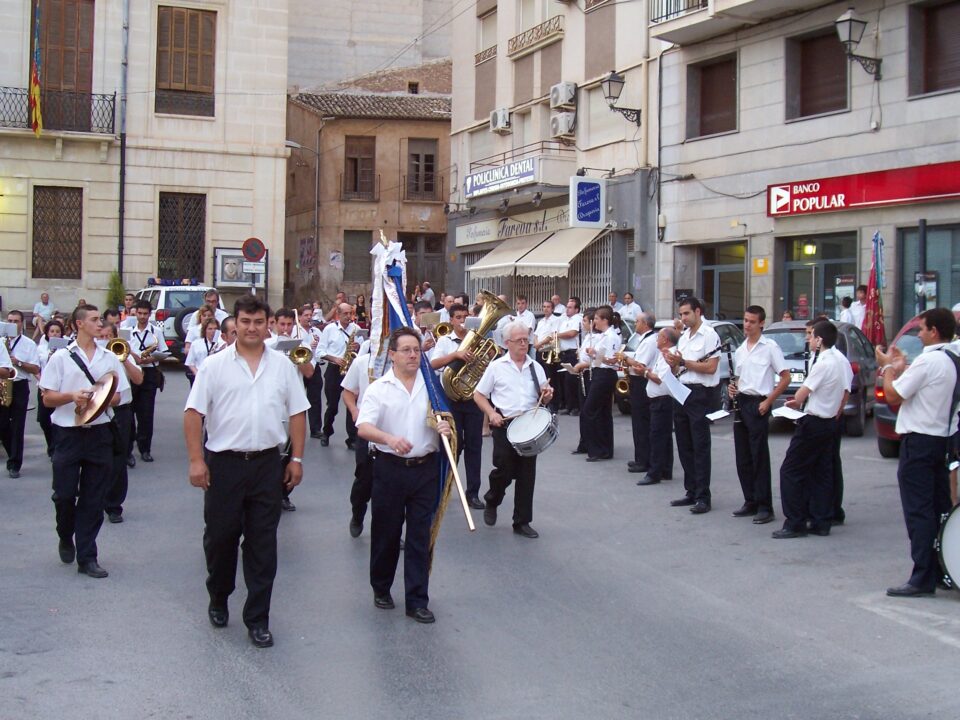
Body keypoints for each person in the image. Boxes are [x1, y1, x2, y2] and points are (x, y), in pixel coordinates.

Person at [184, 295, 309, 648]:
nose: (252, 328)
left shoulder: (283, 366)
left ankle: (257, 618)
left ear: (268, 324)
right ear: (234, 324)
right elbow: (194, 414)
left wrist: (296, 460)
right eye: (245, 322)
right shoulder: (214, 366)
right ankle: (219, 597)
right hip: (223, 465)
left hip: (268, 465)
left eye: (258, 322)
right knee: (221, 539)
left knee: (262, 544)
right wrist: (196, 461)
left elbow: (298, 413)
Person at [356, 327, 452, 624]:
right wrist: (388, 438)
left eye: (417, 350)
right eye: (407, 350)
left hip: (425, 469)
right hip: (389, 469)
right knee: (387, 532)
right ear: (393, 355)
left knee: (420, 536)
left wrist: (446, 427)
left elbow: (446, 418)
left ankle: (417, 599)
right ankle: (381, 587)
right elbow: (363, 427)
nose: (413, 355)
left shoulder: (433, 387)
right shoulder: (379, 388)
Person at [39, 304, 130, 578]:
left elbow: (120, 396)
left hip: (99, 434)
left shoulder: (109, 357)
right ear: (79, 324)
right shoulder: (61, 358)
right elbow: (47, 398)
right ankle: (66, 534)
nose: (99, 323)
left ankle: (87, 556)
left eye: (99, 319)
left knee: (93, 498)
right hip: (68, 434)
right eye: (93, 319)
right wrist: (72, 397)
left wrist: (101, 398)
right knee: (64, 495)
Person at [876, 308, 958, 596]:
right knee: (938, 509)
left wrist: (887, 368)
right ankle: (940, 568)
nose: (919, 333)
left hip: (919, 442)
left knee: (919, 511)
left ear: (934, 331)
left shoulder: (930, 360)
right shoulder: (951, 358)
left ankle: (922, 576)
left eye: (922, 329)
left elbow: (894, 395)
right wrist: (901, 368)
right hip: (940, 439)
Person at [473, 321, 553, 539]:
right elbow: (479, 395)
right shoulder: (496, 367)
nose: (524, 344)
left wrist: (546, 396)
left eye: (526, 339)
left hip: (529, 426)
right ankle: (493, 498)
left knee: (527, 475)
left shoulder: (535, 367)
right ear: (507, 343)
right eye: (519, 340)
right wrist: (491, 414)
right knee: (504, 469)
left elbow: (543, 394)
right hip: (504, 425)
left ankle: (522, 521)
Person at [774, 321, 850, 539]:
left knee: (790, 471)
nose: (809, 339)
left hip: (815, 421)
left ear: (820, 340)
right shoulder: (839, 360)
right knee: (821, 472)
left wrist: (791, 404)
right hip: (829, 422)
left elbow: (800, 396)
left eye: (812, 336)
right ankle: (821, 520)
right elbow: (845, 390)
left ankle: (795, 522)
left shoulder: (824, 363)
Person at [728, 306, 790, 525]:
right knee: (742, 456)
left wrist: (768, 401)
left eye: (752, 322)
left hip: (759, 402)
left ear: (761, 324)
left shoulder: (770, 347)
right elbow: (738, 377)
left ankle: (765, 506)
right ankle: (750, 500)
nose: (747, 325)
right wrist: (732, 388)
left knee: (759, 456)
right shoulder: (740, 349)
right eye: (745, 320)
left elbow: (785, 377)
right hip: (742, 401)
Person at [665, 296, 721, 515]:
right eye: (680, 314)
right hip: (682, 390)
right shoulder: (685, 336)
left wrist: (683, 363)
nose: (683, 318)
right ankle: (691, 490)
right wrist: (673, 365)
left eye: (686, 313)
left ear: (698, 312)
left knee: (700, 445)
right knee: (684, 443)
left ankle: (703, 496)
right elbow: (681, 367)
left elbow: (711, 367)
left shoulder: (709, 335)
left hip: (699, 393)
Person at [430, 303, 486, 510]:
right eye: (458, 317)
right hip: (451, 400)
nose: (462, 321)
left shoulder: (478, 341)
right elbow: (433, 364)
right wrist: (455, 355)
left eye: (465, 317)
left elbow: (487, 367)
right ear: (451, 320)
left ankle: (473, 492)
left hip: (472, 400)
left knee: (474, 446)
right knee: (453, 445)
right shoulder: (445, 341)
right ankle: (444, 488)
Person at [103, 322, 143, 524]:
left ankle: (114, 505)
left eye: (110, 336)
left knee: (118, 458)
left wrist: (125, 358)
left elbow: (138, 379)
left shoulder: (121, 354)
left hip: (121, 411)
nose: (106, 340)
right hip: (98, 410)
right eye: (103, 336)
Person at [341, 341, 377, 537]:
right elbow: (347, 391)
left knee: (391, 485)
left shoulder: (403, 364)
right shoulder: (362, 362)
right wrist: (354, 410)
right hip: (366, 429)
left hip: (392, 432)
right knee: (364, 479)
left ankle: (390, 531)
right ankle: (357, 514)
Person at [637, 327, 678, 486]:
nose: (656, 340)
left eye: (659, 337)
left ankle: (654, 472)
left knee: (657, 436)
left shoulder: (669, 354)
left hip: (662, 399)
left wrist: (645, 373)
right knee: (664, 436)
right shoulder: (664, 353)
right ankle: (665, 469)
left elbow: (660, 378)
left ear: (665, 340)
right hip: (660, 398)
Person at [2, 310, 41, 478]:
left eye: (16, 321)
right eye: (10, 321)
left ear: (22, 324)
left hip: (19, 385)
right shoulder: (0, 342)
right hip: (3, 384)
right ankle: (12, 451)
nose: (13, 324)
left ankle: (15, 463)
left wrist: (17, 362)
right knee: (2, 424)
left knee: (18, 424)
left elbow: (35, 369)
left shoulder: (28, 344)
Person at [318, 303, 361, 448]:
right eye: (345, 314)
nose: (349, 317)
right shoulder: (329, 329)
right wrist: (334, 358)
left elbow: (364, 350)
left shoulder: (356, 329)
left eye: (350, 313)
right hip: (334, 369)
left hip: (351, 369)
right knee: (332, 405)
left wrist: (358, 347)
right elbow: (320, 352)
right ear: (338, 313)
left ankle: (352, 439)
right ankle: (326, 433)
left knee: (351, 405)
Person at [581, 306, 621, 461]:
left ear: (605, 320)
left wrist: (594, 354)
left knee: (590, 410)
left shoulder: (611, 336)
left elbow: (611, 360)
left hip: (605, 374)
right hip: (599, 371)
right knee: (603, 412)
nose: (594, 322)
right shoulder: (604, 336)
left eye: (597, 319)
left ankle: (596, 449)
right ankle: (605, 449)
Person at [622, 311, 658, 473]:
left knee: (642, 422)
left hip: (643, 382)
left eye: (637, 321)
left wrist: (625, 358)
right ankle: (640, 457)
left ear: (645, 324)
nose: (635, 324)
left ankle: (644, 460)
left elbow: (639, 365)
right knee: (638, 422)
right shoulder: (642, 339)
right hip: (638, 382)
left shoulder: (650, 341)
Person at [129, 300, 164, 464]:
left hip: (149, 371)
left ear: (149, 315)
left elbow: (163, 352)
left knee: (146, 413)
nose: (142, 317)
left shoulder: (156, 331)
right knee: (128, 412)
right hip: (131, 370)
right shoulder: (127, 330)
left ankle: (145, 449)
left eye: (145, 314)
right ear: (135, 313)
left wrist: (150, 358)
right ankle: (127, 449)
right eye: (140, 313)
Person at [36, 319, 65, 458]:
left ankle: (57, 448)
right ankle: (51, 443)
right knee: (44, 419)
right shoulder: (41, 348)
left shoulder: (66, 349)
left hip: (59, 388)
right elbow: (36, 367)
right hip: (43, 386)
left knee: (57, 418)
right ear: (47, 333)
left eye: (58, 331)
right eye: (52, 331)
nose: (55, 334)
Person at [533, 300, 561, 413]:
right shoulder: (541, 321)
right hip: (539, 351)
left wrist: (539, 344)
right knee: (541, 376)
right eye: (544, 307)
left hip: (549, 351)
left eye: (548, 307)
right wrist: (536, 343)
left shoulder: (556, 320)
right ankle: (543, 402)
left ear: (553, 309)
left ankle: (554, 405)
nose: (546, 309)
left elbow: (552, 336)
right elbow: (535, 335)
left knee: (551, 378)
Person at [557, 297, 583, 415]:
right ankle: (569, 405)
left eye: (570, 307)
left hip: (573, 353)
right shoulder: (565, 320)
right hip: (564, 353)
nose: (567, 309)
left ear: (576, 309)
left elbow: (572, 333)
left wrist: (557, 335)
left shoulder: (578, 318)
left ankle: (576, 407)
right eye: (567, 307)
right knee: (565, 380)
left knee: (572, 380)